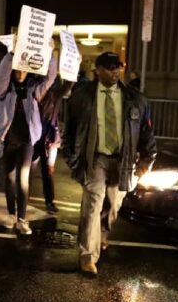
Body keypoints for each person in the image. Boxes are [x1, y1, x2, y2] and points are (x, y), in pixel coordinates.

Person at [62, 52, 156, 276]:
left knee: (113, 205)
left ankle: (103, 233)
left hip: (123, 160)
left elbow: (146, 132)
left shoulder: (135, 98)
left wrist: (146, 159)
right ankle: (87, 255)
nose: (115, 71)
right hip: (95, 159)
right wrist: (71, 156)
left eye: (118, 67)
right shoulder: (82, 96)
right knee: (92, 205)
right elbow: (70, 129)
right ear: (98, 70)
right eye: (110, 67)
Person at [0, 41, 57, 236]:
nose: (20, 74)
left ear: (29, 72)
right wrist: (12, 53)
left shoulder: (33, 90)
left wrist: (50, 52)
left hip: (27, 139)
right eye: (17, 71)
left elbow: (50, 77)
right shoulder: (4, 89)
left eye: (24, 71)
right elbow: (0, 75)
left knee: (22, 178)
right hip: (7, 138)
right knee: (10, 178)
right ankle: (11, 215)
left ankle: (21, 219)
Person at [32, 78, 74, 214]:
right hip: (34, 137)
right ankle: (23, 201)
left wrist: (71, 72)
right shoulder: (33, 92)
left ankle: (49, 201)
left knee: (48, 171)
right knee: (28, 171)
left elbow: (66, 87)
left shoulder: (54, 95)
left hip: (49, 138)